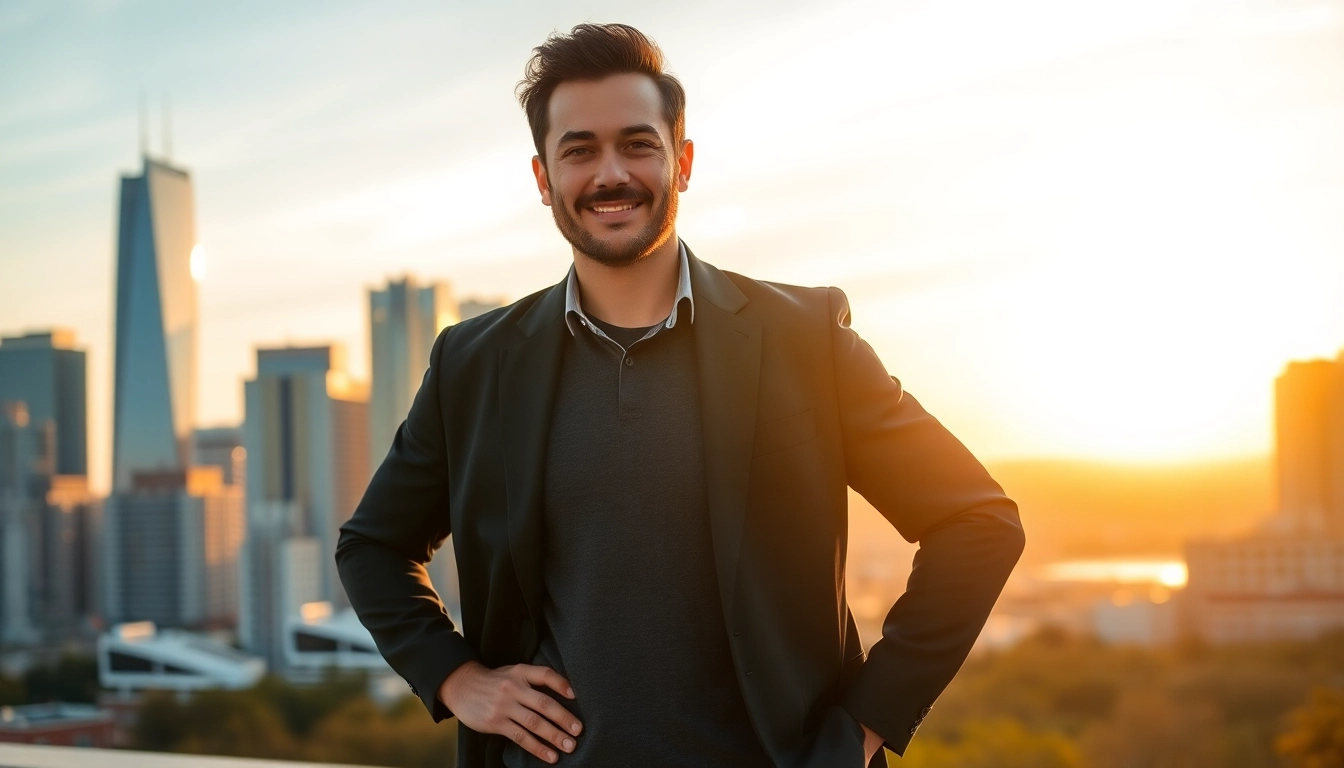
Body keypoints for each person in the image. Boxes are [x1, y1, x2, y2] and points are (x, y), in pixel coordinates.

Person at [335, 22, 1024, 768]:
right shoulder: (474, 361)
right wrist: (455, 677)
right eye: (579, 150)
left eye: (637, 143)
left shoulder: (804, 337)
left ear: (682, 161)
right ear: (543, 180)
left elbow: (976, 522)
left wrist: (864, 724)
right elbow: (373, 545)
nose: (610, 174)